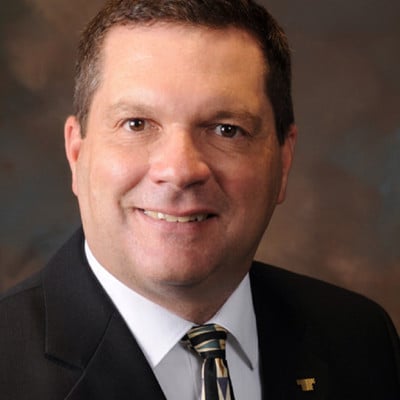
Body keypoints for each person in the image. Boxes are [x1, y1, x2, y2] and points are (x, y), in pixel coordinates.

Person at [0, 0, 399, 399]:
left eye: (227, 129)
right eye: (137, 124)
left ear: (283, 160)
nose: (180, 170)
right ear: (77, 153)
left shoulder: (361, 340)